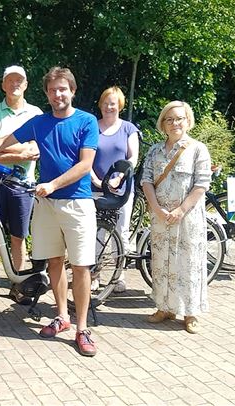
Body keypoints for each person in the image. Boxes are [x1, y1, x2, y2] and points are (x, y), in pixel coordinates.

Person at [0, 66, 99, 357]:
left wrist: (53, 184)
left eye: (63, 89)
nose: (58, 94)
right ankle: (62, 316)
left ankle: (82, 328)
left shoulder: (86, 121)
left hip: (77, 202)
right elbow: (3, 142)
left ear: (72, 91)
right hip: (46, 203)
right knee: (54, 262)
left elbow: (85, 165)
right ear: (46, 93)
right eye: (52, 90)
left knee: (82, 266)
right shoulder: (39, 121)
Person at [141, 100, 211, 334]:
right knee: (161, 264)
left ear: (187, 120)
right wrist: (157, 209)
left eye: (179, 118)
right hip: (161, 218)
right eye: (169, 119)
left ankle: (190, 313)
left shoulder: (198, 149)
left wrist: (180, 211)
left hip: (187, 219)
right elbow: (146, 180)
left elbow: (201, 184)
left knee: (188, 264)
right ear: (163, 124)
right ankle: (165, 308)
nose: (174, 123)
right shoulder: (154, 150)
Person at [0, 65, 43, 305]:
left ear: (26, 85)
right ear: (3, 84)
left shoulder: (36, 113)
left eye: (19, 80)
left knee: (18, 237)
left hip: (23, 186)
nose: (15, 84)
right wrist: (21, 150)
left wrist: (1, 147)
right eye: (10, 80)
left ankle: (17, 285)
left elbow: (35, 150)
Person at [91, 86, 139, 293]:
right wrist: (95, 180)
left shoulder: (128, 128)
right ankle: (94, 274)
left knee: (120, 231)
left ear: (119, 105)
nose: (109, 107)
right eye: (105, 103)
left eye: (113, 103)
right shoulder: (92, 126)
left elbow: (132, 158)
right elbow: (84, 157)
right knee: (96, 232)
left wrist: (119, 178)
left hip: (122, 190)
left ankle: (119, 275)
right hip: (94, 187)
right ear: (100, 104)